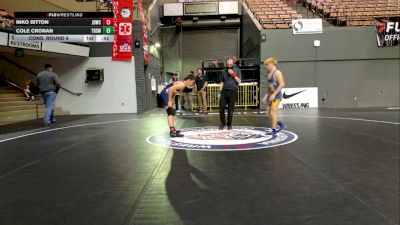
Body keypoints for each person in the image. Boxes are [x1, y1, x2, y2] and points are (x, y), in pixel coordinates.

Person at [262, 57, 286, 135]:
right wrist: (266, 95)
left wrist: (274, 94)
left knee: (272, 111)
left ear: (272, 64)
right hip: (271, 95)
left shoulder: (277, 72)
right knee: (268, 113)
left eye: (267, 65)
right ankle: (280, 123)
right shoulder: (269, 73)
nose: (266, 66)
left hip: (277, 96)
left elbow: (282, 84)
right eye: (265, 65)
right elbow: (270, 86)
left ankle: (273, 130)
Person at [219, 57, 242, 130]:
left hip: (233, 91)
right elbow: (222, 82)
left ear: (233, 63)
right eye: (228, 64)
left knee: (230, 109)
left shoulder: (237, 70)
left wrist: (233, 74)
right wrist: (219, 92)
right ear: (226, 63)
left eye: (231, 64)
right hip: (224, 91)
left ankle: (229, 124)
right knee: (221, 109)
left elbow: (239, 81)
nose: (229, 65)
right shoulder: (223, 71)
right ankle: (223, 123)